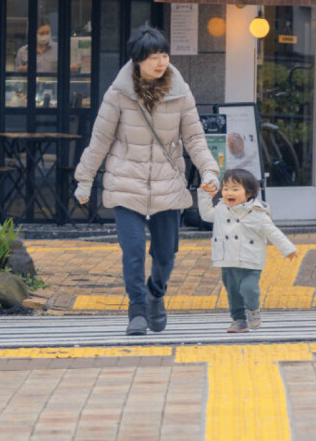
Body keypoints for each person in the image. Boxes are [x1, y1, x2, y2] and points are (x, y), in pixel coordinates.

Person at [74, 24, 220, 337]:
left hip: (168, 185)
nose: (160, 62)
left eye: (164, 55)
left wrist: (209, 171)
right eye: (153, 56)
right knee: (134, 250)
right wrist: (84, 179)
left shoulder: (180, 92)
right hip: (126, 183)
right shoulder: (119, 94)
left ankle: (156, 294)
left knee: (166, 254)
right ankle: (137, 308)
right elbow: (99, 139)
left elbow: (194, 137)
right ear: (137, 60)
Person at [198, 168, 296, 333]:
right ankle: (239, 320)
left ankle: (253, 309)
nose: (229, 192)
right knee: (233, 292)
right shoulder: (221, 209)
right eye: (226, 188)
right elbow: (206, 214)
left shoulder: (257, 213)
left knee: (248, 288)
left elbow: (273, 232)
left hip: (251, 260)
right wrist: (203, 194)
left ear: (249, 193)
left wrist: (288, 249)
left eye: (235, 189)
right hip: (227, 258)